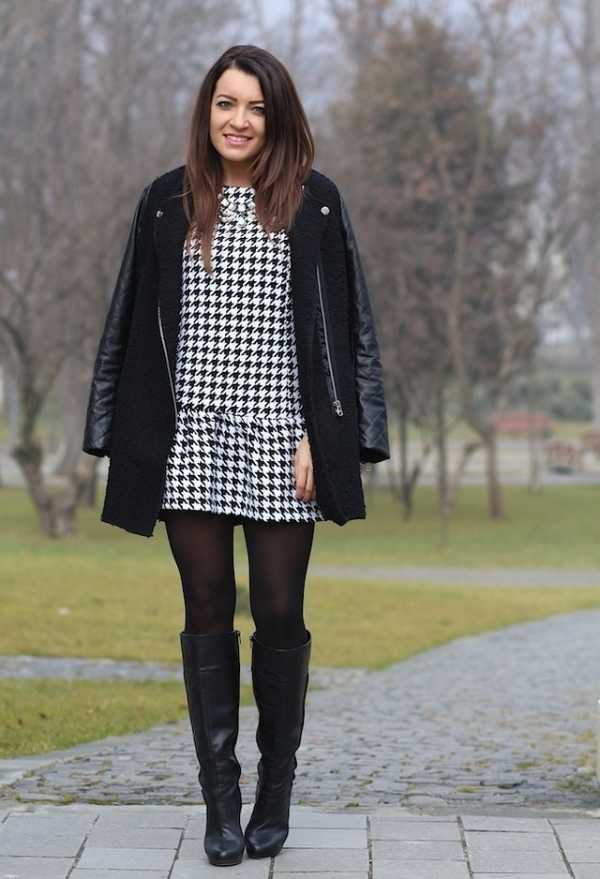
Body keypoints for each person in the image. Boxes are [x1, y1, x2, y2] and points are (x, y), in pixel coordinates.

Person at [82, 44, 389, 867]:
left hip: (285, 438)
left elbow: (349, 328)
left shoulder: (315, 202)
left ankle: (274, 791)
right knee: (207, 608)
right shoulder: (165, 201)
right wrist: (111, 426)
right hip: (189, 436)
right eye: (226, 103)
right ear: (206, 111)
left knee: (280, 612)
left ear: (277, 118)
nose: (239, 120)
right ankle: (221, 802)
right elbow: (127, 317)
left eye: (255, 107)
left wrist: (328, 437)